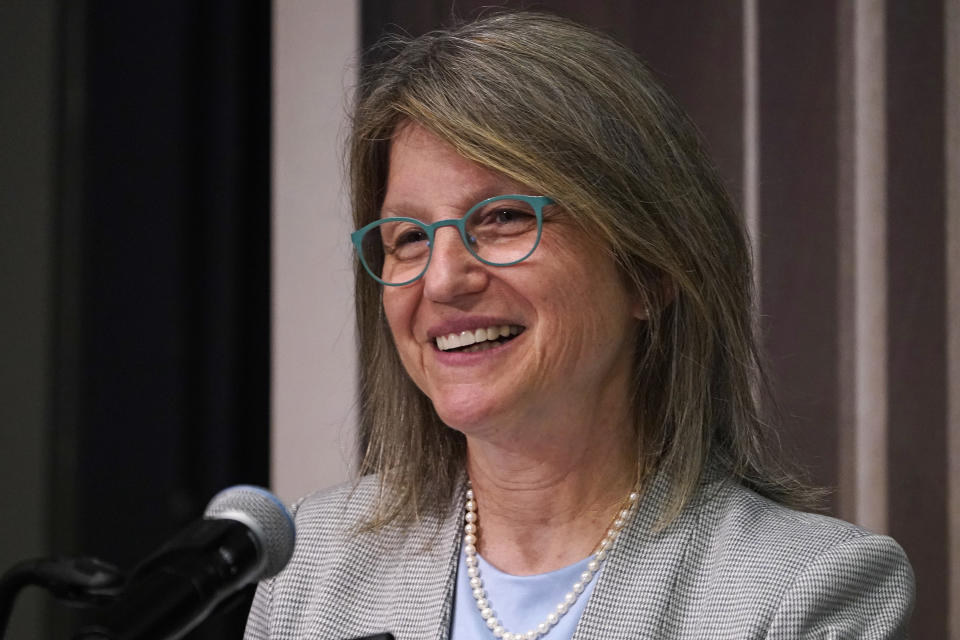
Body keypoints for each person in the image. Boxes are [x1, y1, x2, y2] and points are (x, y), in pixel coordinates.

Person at [245, 11, 914, 640]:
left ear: (649, 270)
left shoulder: (801, 592)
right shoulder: (312, 567)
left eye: (502, 218)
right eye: (407, 237)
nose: (443, 279)